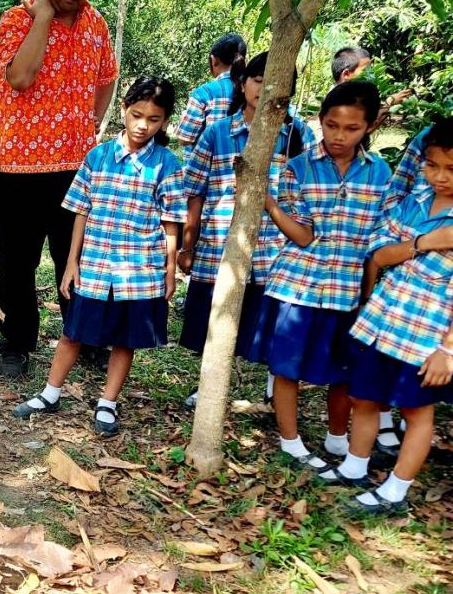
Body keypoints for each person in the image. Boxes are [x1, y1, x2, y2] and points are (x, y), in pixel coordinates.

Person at [13, 77, 185, 436]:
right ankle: (50, 393)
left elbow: (171, 223)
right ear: (123, 109)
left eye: (153, 119)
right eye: (136, 115)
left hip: (138, 271)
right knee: (73, 332)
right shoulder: (98, 156)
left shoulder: (167, 165)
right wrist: (71, 262)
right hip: (94, 265)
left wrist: (169, 271)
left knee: (124, 339)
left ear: (165, 121)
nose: (142, 125)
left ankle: (107, 402)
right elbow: (81, 211)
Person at [0, 0, 119, 379]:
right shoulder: (16, 20)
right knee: (18, 262)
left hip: (76, 167)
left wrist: (92, 123)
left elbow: (107, 77)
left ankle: (80, 335)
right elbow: (20, 78)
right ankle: (16, 342)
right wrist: (42, 18)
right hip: (20, 166)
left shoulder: (97, 25)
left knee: (76, 255)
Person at [254, 81, 390, 471]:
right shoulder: (299, 168)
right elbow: (302, 233)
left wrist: (368, 295)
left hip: (348, 290)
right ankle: (290, 440)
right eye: (332, 125)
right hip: (299, 286)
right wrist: (268, 203)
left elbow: (378, 244)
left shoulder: (381, 174)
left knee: (344, 370)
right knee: (287, 367)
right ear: (321, 121)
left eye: (351, 128)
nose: (339, 136)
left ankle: (336, 436)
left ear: (369, 128)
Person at [325, 117, 453, 515]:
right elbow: (379, 254)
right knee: (365, 396)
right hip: (384, 323)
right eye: (433, 165)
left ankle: (395, 490)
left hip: (426, 336)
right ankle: (355, 465)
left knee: (416, 412)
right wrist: (425, 242)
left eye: (451, 169)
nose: (440, 176)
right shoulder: (413, 204)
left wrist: (448, 351)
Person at [178, 52, 316, 408]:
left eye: (278, 82)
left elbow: (309, 193)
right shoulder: (219, 133)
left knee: (269, 323)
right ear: (243, 83)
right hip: (221, 243)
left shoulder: (296, 134)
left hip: (275, 249)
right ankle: (207, 387)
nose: (266, 88)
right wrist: (187, 244)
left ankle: (273, 392)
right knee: (214, 320)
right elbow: (194, 190)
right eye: (258, 79)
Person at [177, 33, 247, 152]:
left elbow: (185, 139)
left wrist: (182, 119)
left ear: (214, 60)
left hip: (210, 167)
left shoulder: (203, 93)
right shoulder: (253, 90)